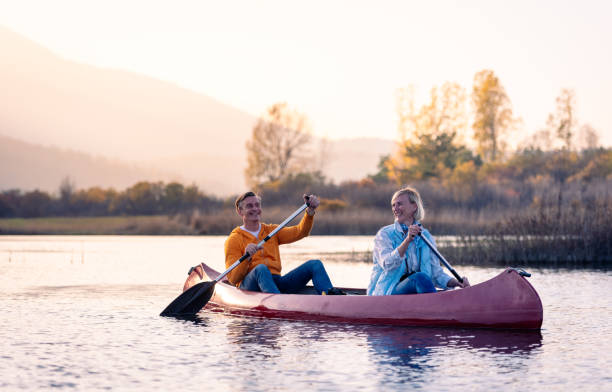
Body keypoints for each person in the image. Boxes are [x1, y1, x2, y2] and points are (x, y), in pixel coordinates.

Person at [224, 191, 345, 295]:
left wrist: (310, 212)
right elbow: (233, 279)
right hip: (249, 286)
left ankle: (330, 297)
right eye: (249, 206)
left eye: (257, 205)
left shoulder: (272, 231)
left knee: (315, 264)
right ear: (240, 211)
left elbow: (300, 232)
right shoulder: (234, 239)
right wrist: (247, 258)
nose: (255, 209)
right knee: (261, 269)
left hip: (277, 282)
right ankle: (278, 303)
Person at [367, 186, 469, 296]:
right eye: (393, 205)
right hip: (387, 292)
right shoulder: (384, 234)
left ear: (414, 206)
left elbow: (435, 274)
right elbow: (387, 264)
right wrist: (407, 241)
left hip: (415, 291)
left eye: (399, 204)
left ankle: (433, 308)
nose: (395, 208)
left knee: (422, 278)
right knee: (419, 277)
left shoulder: (425, 236)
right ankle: (436, 309)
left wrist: (456, 282)